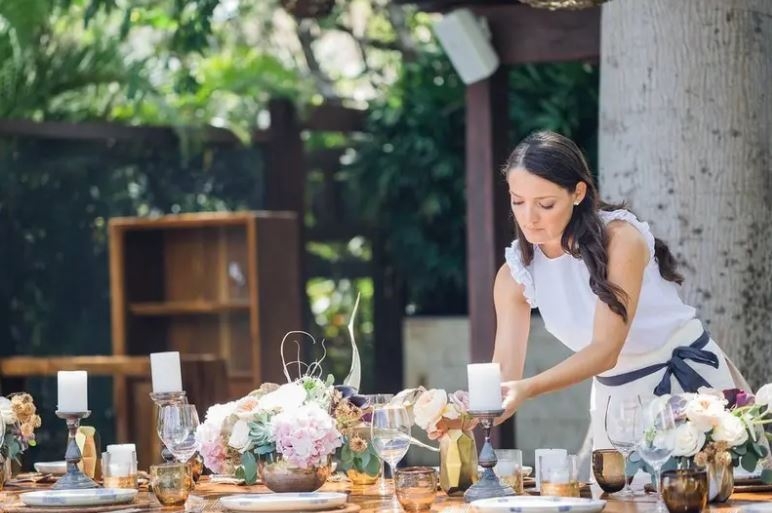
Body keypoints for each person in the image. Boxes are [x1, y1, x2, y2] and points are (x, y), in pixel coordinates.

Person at [493, 130, 746, 449]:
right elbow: (503, 379)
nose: (529, 218)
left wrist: (528, 388)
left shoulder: (620, 239)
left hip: (690, 387)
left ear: (578, 193)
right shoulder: (515, 274)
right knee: (617, 498)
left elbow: (605, 349)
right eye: (518, 201)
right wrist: (461, 416)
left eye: (545, 204)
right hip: (615, 401)